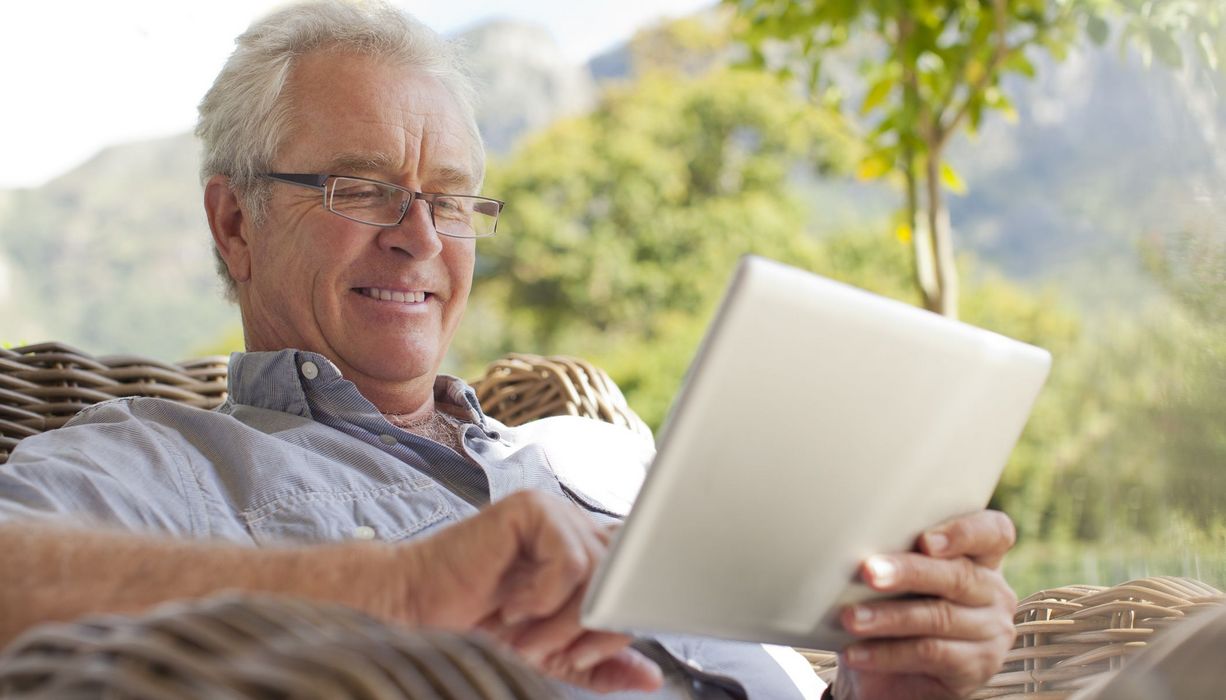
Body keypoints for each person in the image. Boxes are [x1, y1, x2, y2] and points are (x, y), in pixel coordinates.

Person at [0, 2, 1019, 698]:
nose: (419, 235)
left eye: (449, 199)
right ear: (235, 224)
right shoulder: (157, 462)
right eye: (359, 188)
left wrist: (885, 673)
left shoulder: (598, 450)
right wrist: (391, 591)